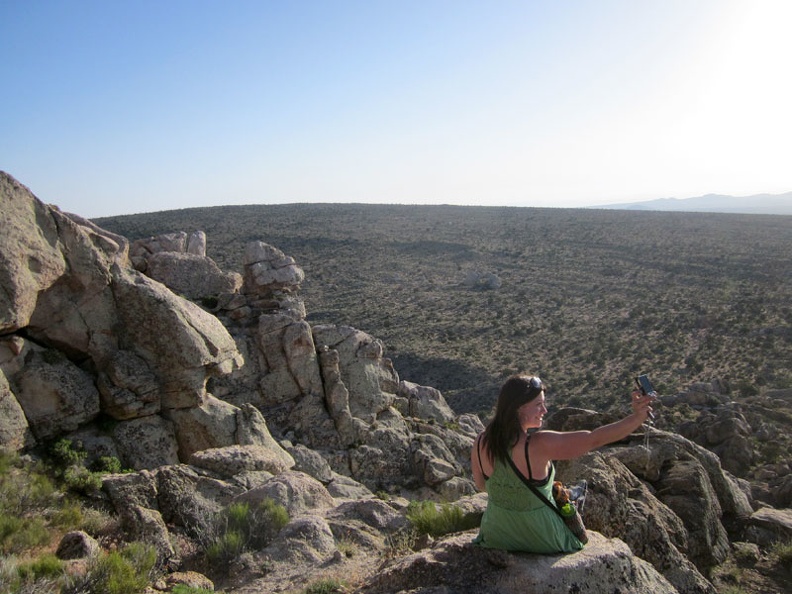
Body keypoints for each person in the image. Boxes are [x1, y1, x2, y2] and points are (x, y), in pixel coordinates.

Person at [471, 374, 654, 554]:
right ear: (518, 408)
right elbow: (594, 439)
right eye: (538, 405)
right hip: (542, 537)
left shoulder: (481, 440)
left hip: (496, 533)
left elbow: (482, 485)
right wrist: (638, 417)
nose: (545, 410)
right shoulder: (538, 444)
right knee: (568, 497)